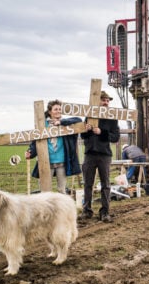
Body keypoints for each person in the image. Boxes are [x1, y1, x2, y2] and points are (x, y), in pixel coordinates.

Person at [79, 91, 120, 222]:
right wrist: (86, 130)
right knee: (87, 184)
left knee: (106, 185)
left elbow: (115, 137)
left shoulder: (112, 118)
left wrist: (102, 132)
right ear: (97, 101)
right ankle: (87, 211)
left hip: (104, 155)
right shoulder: (89, 116)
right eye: (103, 100)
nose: (106, 102)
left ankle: (105, 212)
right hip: (90, 153)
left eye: (108, 100)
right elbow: (83, 135)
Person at [25, 100, 82, 194]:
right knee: (45, 192)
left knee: (61, 190)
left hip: (62, 163)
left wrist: (61, 122)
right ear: (50, 111)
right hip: (46, 163)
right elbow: (36, 142)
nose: (58, 111)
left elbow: (78, 120)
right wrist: (30, 152)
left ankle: (62, 209)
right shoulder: (42, 125)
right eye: (56, 109)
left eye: (60, 109)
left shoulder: (65, 124)